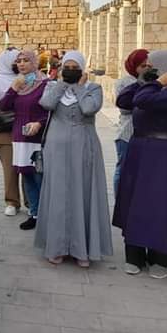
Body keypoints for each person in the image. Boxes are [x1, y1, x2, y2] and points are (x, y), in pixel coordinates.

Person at [113, 50, 167, 279]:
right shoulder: (149, 87)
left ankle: (160, 258)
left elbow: (142, 101)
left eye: (153, 65)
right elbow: (123, 100)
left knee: (160, 203)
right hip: (139, 149)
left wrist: (154, 84)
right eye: (147, 65)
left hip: (164, 153)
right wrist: (145, 80)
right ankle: (134, 255)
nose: (149, 68)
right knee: (135, 201)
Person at [35, 51, 113, 267]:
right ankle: (56, 246)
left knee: (83, 191)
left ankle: (82, 249)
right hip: (56, 147)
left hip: (84, 146)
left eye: (74, 67)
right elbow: (46, 103)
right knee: (58, 193)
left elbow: (89, 109)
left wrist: (78, 86)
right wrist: (62, 83)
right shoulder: (53, 87)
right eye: (66, 67)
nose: (70, 70)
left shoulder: (93, 89)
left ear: (81, 69)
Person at [0, 49, 49, 230]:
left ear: (34, 62)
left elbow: (51, 111)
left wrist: (39, 123)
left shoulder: (45, 84)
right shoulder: (19, 84)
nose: (21, 64)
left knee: (39, 176)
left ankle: (46, 214)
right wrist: (13, 88)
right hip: (20, 137)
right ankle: (34, 213)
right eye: (19, 61)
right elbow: (4, 106)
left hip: (37, 138)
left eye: (26, 60)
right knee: (27, 175)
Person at [113, 49, 150, 196]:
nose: (146, 69)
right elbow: (124, 107)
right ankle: (119, 199)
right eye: (142, 66)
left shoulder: (153, 81)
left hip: (146, 134)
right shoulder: (124, 83)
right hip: (127, 133)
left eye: (148, 66)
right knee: (123, 169)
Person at [0, 48, 22, 217]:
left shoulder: (27, 79)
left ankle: (32, 202)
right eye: (15, 61)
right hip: (5, 133)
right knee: (9, 170)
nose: (18, 64)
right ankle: (12, 202)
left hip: (25, 131)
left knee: (28, 169)